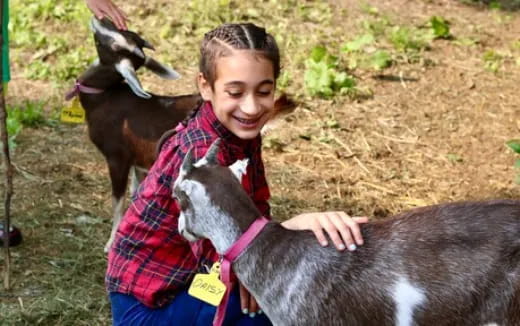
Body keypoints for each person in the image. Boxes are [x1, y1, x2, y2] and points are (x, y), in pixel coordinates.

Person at [105, 22, 368, 325]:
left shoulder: (238, 133)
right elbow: (223, 255)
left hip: (192, 278)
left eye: (264, 91)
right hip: (149, 305)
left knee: (276, 289)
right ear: (205, 86)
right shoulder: (200, 154)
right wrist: (295, 227)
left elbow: (254, 211)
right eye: (235, 91)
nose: (252, 106)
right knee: (267, 307)